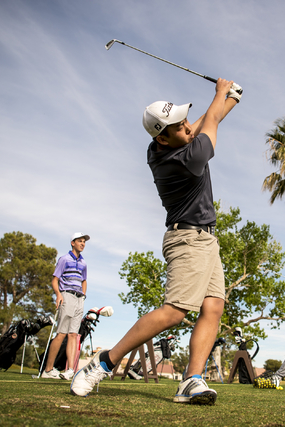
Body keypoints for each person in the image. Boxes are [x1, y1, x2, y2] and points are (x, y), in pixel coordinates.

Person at [70, 78, 242, 405]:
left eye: (185, 120)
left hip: (206, 239)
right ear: (163, 136)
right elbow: (209, 127)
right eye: (180, 127)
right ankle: (103, 362)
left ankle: (191, 380)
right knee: (174, 312)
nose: (188, 128)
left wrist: (230, 98)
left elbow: (208, 121)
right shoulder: (185, 160)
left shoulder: (162, 146)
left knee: (213, 306)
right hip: (187, 239)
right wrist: (222, 94)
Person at [41, 232, 90, 380]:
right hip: (66, 296)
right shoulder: (64, 259)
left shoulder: (83, 263)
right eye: (80, 241)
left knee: (73, 335)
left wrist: (83, 295)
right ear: (72, 243)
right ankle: (48, 370)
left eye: (84, 241)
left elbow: (84, 280)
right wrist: (58, 294)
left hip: (78, 299)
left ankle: (69, 370)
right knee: (61, 333)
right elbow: (55, 279)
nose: (83, 243)